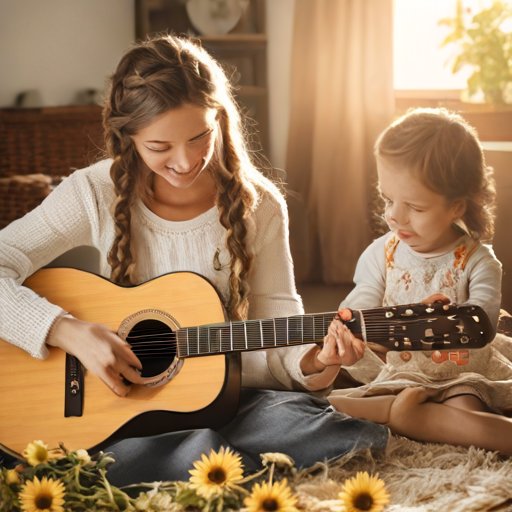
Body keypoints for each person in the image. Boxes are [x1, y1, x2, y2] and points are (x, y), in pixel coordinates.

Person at [0, 34, 388, 484]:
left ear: (220, 119)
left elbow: (279, 321)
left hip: (222, 395)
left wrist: (318, 362)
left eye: (199, 136)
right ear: (127, 138)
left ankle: (177, 460)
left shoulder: (259, 205)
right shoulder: (93, 191)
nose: (185, 162)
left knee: (325, 429)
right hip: (119, 406)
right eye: (159, 147)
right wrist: (65, 330)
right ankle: (194, 459)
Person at [326, 107, 512, 455]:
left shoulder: (478, 261)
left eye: (415, 206)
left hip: (459, 375)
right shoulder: (381, 254)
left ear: (457, 206)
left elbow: (482, 321)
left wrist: (438, 319)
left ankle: (414, 419)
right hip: (400, 376)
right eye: (388, 199)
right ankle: (409, 415)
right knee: (331, 404)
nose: (395, 215)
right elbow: (359, 303)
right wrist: (351, 325)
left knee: (464, 409)